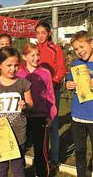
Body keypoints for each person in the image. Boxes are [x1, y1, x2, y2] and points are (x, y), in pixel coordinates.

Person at [0, 47, 33, 177]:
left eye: (16, 65)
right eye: (9, 65)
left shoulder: (23, 83)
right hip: (0, 133)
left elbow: (31, 104)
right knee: (2, 165)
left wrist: (25, 105)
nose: (13, 68)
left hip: (19, 131)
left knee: (18, 165)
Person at [17, 43, 57, 177]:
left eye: (37, 54)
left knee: (40, 150)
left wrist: (51, 115)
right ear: (24, 57)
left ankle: (41, 173)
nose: (36, 58)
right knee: (20, 148)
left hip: (40, 116)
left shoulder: (45, 73)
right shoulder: (19, 73)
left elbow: (50, 95)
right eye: (32, 55)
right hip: (22, 117)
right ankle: (20, 173)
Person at [35, 21, 66, 168]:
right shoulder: (34, 49)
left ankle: (54, 159)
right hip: (37, 92)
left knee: (53, 124)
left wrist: (52, 83)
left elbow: (61, 69)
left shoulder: (56, 49)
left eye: (43, 32)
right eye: (38, 33)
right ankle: (42, 156)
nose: (40, 35)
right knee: (40, 124)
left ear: (49, 33)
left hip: (53, 90)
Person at [66, 30, 93, 177]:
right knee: (80, 151)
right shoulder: (76, 63)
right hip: (77, 117)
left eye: (82, 47)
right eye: (76, 49)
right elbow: (69, 80)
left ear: (92, 43)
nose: (79, 52)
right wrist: (68, 84)